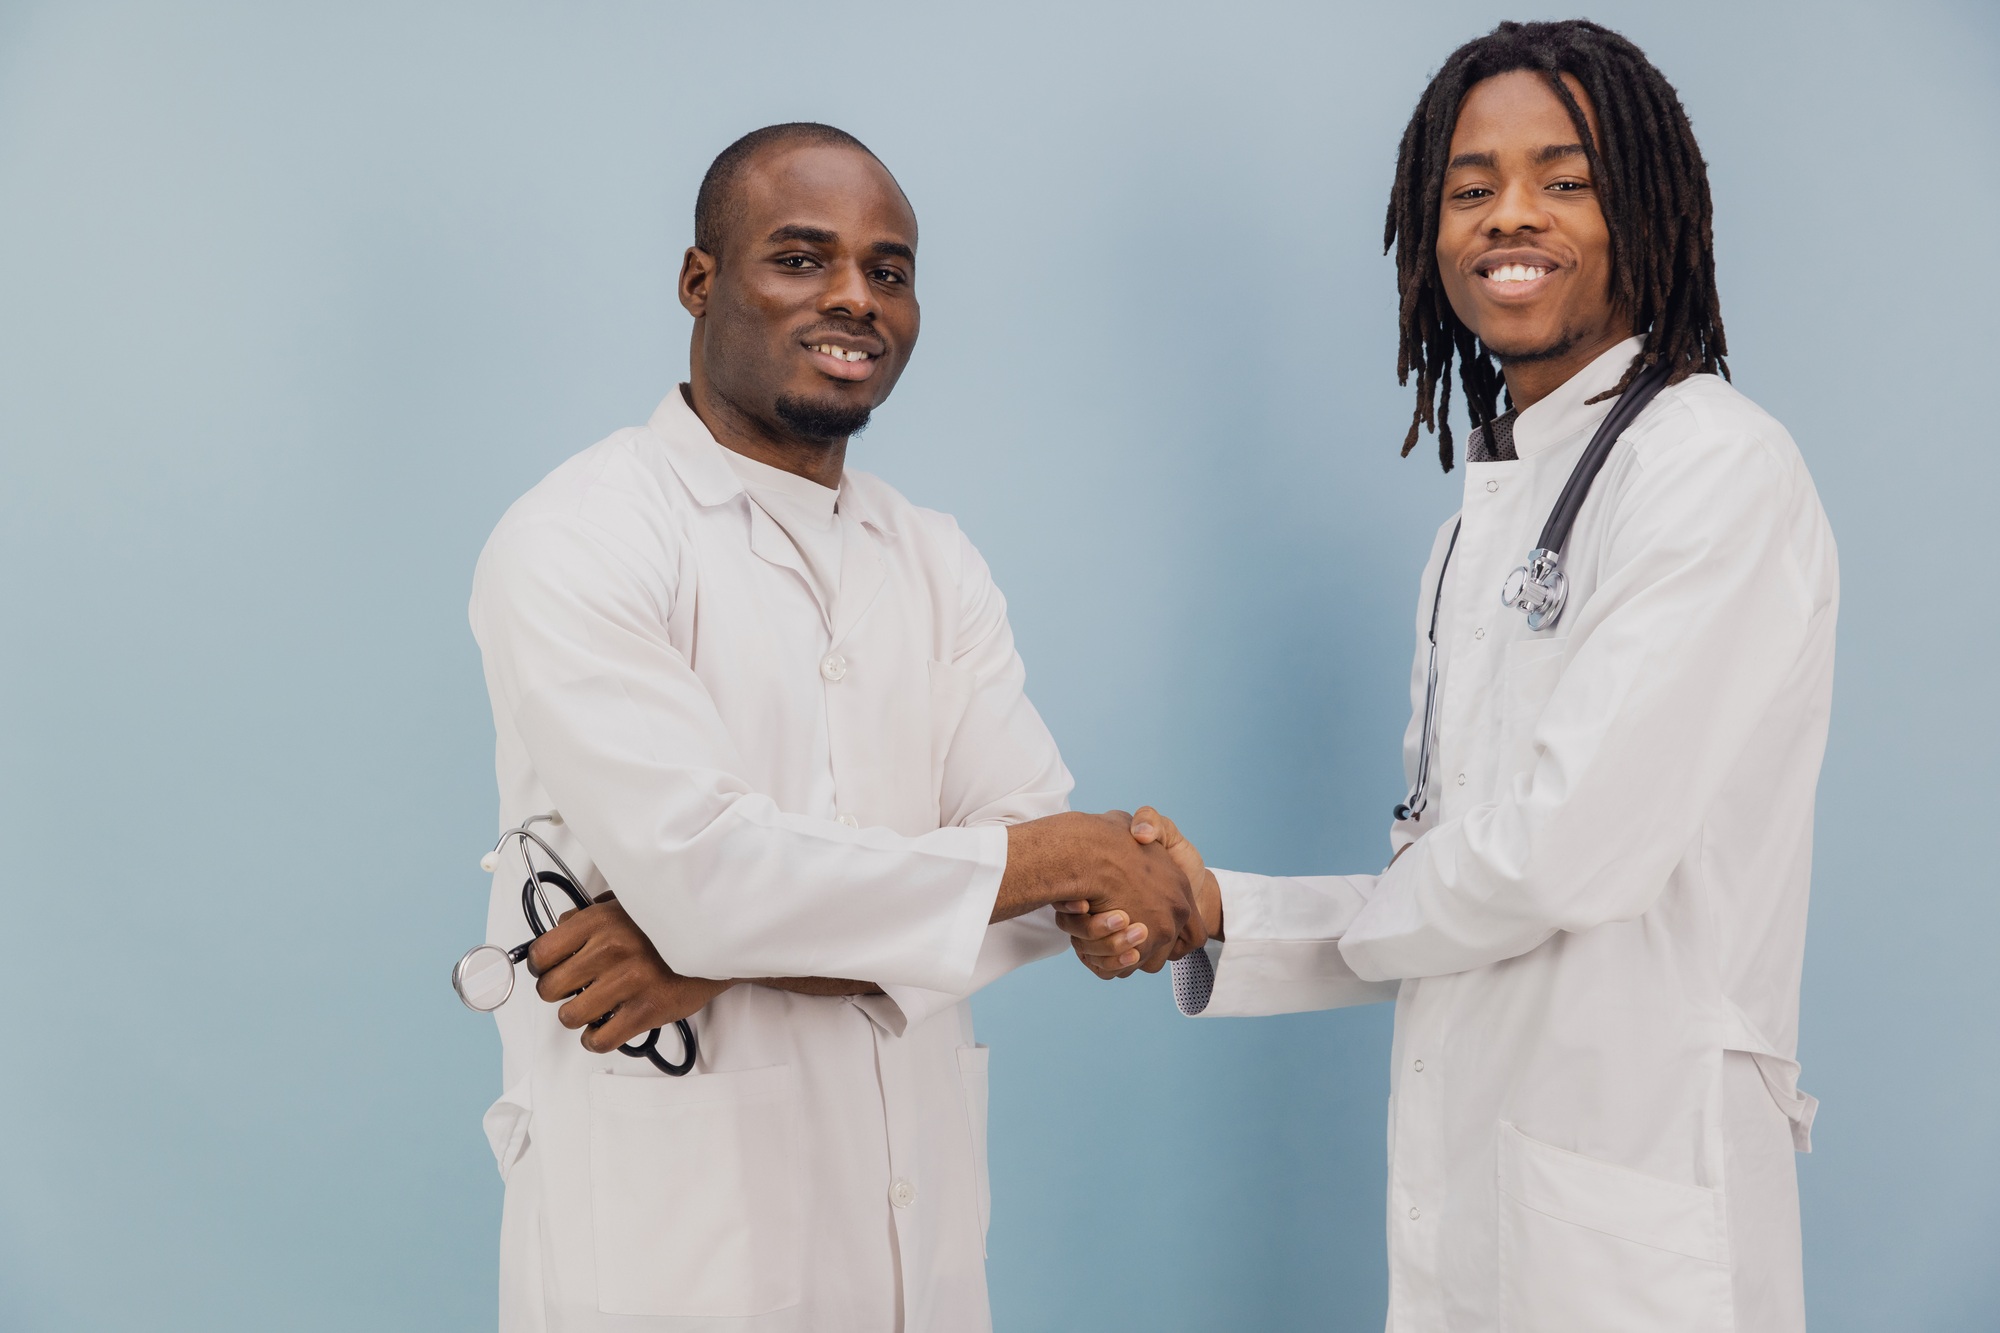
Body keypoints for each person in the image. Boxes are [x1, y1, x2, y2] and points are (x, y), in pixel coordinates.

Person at [1063, 21, 1835, 1332]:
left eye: (1565, 177)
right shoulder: (1488, 517)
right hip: (1481, 1194)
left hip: (1631, 1214)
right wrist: (1218, 912)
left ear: (1649, 205)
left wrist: (1248, 911)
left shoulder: (1716, 471)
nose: (1507, 217)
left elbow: (1555, 858)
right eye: (1469, 187)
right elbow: (1452, 867)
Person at [468, 122, 1199, 1332]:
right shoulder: (578, 536)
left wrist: (710, 952)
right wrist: (1046, 861)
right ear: (700, 282)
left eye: (889, 270)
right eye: (801, 259)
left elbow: (1013, 905)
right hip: (670, 1248)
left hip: (914, 1235)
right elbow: (714, 869)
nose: (855, 299)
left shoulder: (932, 557)